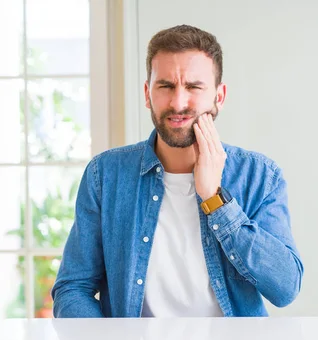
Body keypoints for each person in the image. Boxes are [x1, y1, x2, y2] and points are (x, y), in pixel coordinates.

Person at [51, 25, 304, 317]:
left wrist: (215, 200)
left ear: (219, 97)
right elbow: (73, 288)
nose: (178, 102)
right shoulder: (105, 175)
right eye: (166, 86)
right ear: (148, 94)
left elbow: (286, 288)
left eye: (194, 87)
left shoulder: (261, 176)